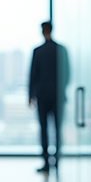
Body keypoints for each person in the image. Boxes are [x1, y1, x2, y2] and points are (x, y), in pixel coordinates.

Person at [29, 21, 69, 173]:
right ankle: (57, 161)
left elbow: (33, 75)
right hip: (57, 96)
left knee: (44, 130)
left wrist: (31, 95)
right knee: (57, 130)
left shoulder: (38, 51)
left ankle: (46, 163)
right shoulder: (61, 50)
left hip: (42, 96)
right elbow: (67, 73)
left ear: (42, 31)